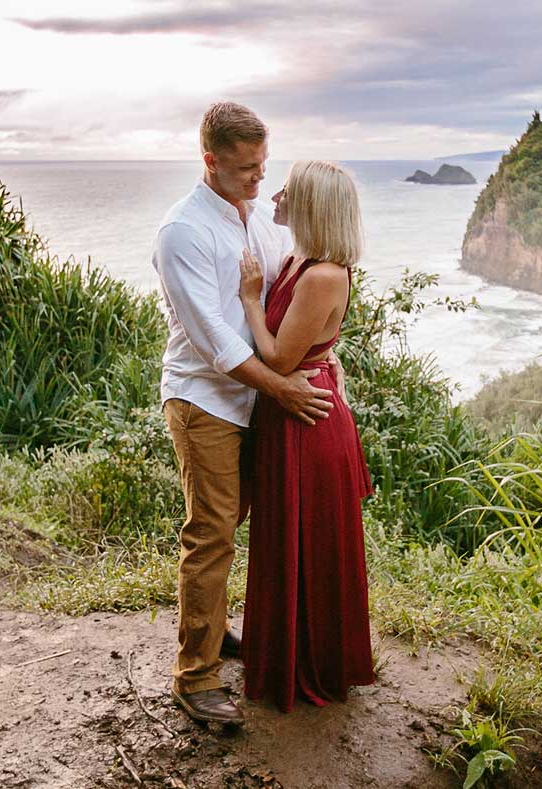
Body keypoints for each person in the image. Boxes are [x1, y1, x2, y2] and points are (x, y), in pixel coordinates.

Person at [153, 102, 340, 727]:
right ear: (211, 162)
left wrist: (325, 354)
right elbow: (217, 342)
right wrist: (286, 390)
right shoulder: (184, 233)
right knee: (212, 533)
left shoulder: (260, 220)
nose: (260, 180)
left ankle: (217, 632)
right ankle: (195, 678)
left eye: (264, 166)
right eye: (246, 170)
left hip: (258, 402)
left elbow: (309, 286)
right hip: (206, 399)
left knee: (242, 521)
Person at [237, 159, 376, 711]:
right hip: (290, 410)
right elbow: (309, 339)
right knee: (286, 539)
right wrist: (326, 352)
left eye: (287, 191)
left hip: (306, 422)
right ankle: (285, 653)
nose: (275, 195)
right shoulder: (300, 258)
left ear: (312, 205)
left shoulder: (323, 274)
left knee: (309, 543)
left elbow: (277, 354)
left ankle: (310, 664)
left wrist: (250, 299)